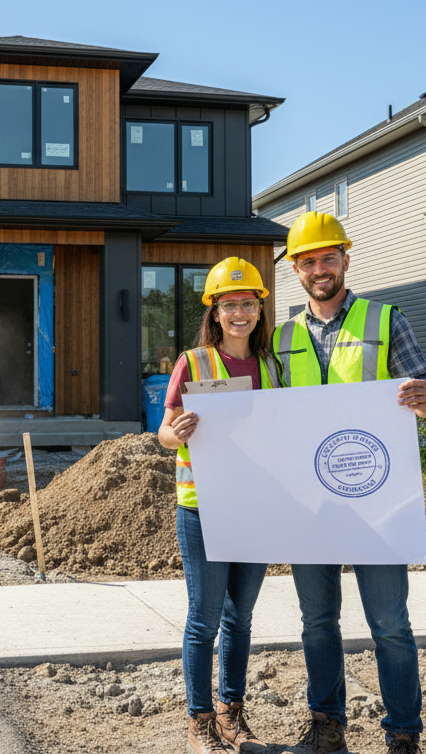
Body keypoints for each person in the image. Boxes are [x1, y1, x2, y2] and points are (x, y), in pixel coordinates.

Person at [275, 212, 426, 754]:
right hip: (309, 505)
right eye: (308, 262)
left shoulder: (384, 319)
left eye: (328, 258)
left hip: (377, 499)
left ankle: (403, 736)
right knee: (317, 622)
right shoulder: (280, 337)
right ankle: (327, 731)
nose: (319, 269)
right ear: (295, 270)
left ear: (346, 258)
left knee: (390, 623)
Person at [158, 256, 281, 754]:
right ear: (214, 311)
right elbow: (164, 432)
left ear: (259, 310)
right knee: (203, 619)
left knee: (240, 619)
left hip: (254, 506)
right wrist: (177, 432)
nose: (239, 313)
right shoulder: (194, 361)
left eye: (247, 304)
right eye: (229, 305)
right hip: (202, 506)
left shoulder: (271, 365)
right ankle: (199, 722)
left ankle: (233, 715)